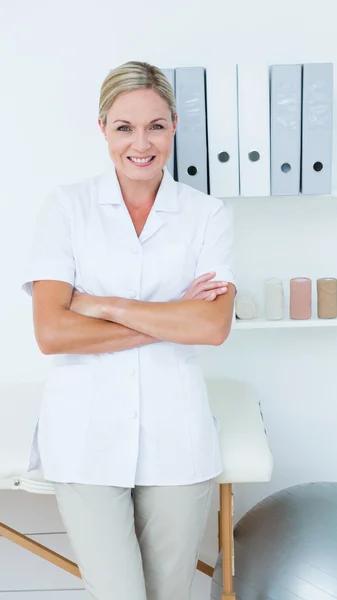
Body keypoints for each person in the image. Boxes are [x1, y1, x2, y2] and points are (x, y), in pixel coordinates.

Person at [21, 60, 236, 600]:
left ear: (174, 127)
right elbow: (52, 332)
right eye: (124, 127)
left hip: (178, 442)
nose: (141, 143)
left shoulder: (207, 216)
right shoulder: (67, 207)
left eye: (155, 126)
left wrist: (100, 305)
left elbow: (211, 327)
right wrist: (170, 317)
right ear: (103, 130)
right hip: (84, 439)